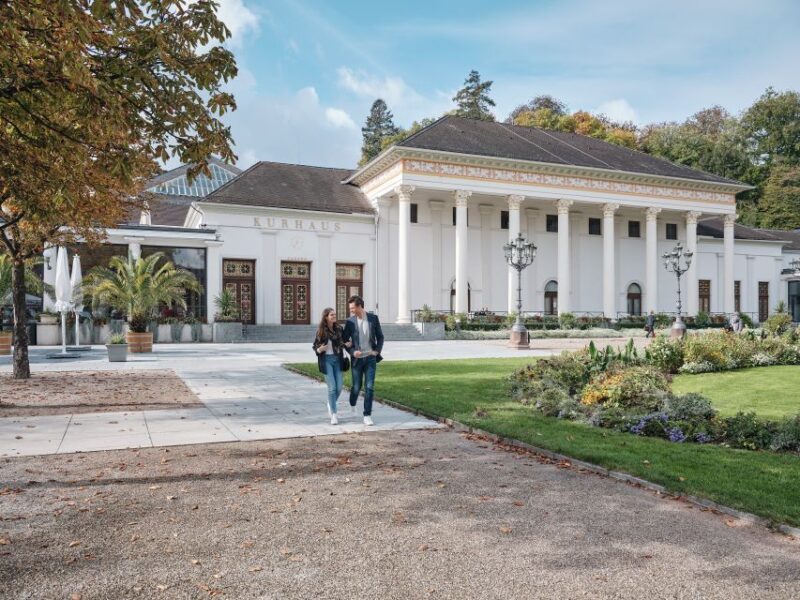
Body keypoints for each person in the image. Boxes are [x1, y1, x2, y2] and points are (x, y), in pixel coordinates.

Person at [342, 295, 384, 426]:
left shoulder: (373, 319)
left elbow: (380, 337)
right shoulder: (350, 321)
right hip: (357, 360)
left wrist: (377, 350)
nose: (351, 310)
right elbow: (344, 340)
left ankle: (367, 415)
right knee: (356, 387)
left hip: (370, 358)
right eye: (350, 308)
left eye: (353, 308)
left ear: (360, 306)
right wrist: (353, 351)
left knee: (369, 387)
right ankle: (352, 403)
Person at [312, 307, 350, 425]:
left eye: (335, 314)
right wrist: (319, 349)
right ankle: (334, 414)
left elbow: (341, 342)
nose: (334, 316)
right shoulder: (321, 331)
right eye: (332, 315)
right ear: (326, 317)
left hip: (337, 360)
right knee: (332, 388)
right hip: (326, 360)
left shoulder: (339, 328)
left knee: (339, 387)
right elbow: (315, 346)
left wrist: (347, 344)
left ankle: (330, 402)